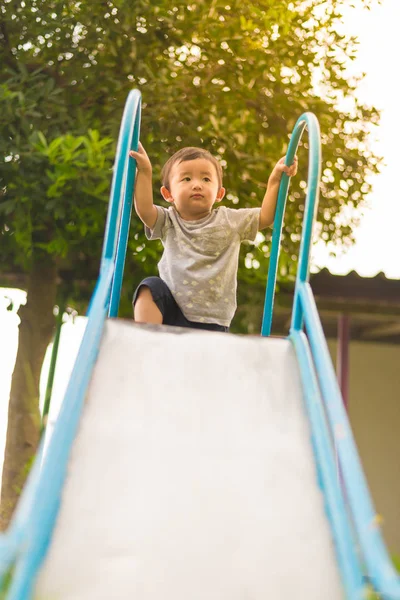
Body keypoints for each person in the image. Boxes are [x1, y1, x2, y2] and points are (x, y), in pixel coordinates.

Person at [129, 143, 297, 332]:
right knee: (149, 288)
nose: (197, 184)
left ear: (219, 193)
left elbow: (266, 216)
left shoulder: (229, 220)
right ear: (168, 194)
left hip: (211, 320)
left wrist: (274, 180)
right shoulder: (168, 221)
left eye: (206, 179)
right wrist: (144, 170)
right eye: (186, 178)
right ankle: (147, 339)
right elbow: (144, 209)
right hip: (171, 312)